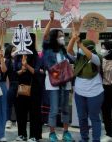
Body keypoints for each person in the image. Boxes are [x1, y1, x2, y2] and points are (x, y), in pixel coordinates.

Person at [41, 11, 73, 142]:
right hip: (53, 84)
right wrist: (51, 21)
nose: (62, 38)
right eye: (60, 36)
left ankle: (66, 132)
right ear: (54, 38)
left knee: (65, 108)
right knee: (54, 109)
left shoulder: (63, 51)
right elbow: (45, 35)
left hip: (65, 83)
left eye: (63, 36)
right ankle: (52, 133)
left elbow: (72, 60)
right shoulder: (47, 49)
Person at [67, 34, 104, 142]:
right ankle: (84, 138)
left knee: (94, 118)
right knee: (82, 118)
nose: (80, 49)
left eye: (83, 47)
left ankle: (96, 139)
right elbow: (68, 50)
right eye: (80, 47)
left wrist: (80, 44)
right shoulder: (78, 58)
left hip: (95, 93)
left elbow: (91, 56)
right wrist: (74, 39)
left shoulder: (97, 58)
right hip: (79, 93)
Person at [13, 34, 42, 142]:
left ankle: (34, 136)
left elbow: (37, 71)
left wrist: (27, 65)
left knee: (34, 113)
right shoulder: (18, 55)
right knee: (21, 113)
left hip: (34, 88)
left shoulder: (35, 55)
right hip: (21, 88)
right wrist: (22, 70)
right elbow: (14, 72)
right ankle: (22, 134)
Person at [4, 44, 17, 130]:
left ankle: (18, 120)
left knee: (18, 104)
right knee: (9, 103)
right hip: (11, 84)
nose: (15, 52)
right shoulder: (7, 61)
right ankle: (8, 120)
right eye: (13, 50)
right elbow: (5, 73)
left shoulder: (19, 60)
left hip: (20, 84)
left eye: (15, 50)